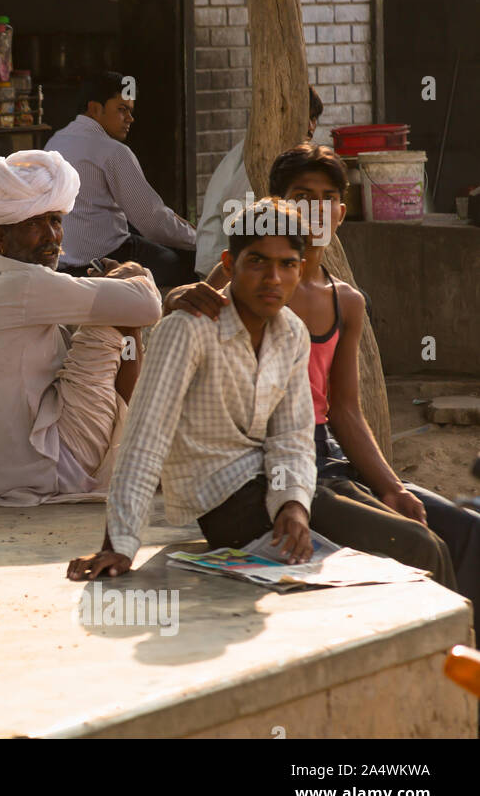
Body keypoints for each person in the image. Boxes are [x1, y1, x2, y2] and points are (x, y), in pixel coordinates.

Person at [67, 197, 455, 590]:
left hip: (277, 487)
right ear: (230, 265)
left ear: (300, 269)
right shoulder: (189, 329)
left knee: (427, 540)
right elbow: (144, 440)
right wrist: (119, 543)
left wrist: (293, 505)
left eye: (286, 264)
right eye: (257, 262)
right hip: (227, 505)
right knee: (418, 548)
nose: (273, 278)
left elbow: (292, 437)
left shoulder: (291, 332)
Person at [166, 144, 479, 609]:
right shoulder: (250, 280)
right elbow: (188, 311)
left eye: (326, 197)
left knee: (464, 529)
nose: (313, 209)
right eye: (300, 195)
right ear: (276, 205)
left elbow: (345, 410)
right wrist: (177, 297)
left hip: (326, 455)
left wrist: (392, 486)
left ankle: (463, 658)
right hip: (261, 465)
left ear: (341, 211)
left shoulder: (345, 301)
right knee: (414, 546)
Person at [0, 150, 161, 505]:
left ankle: (139, 453)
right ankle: (141, 457)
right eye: (34, 224)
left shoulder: (4, 282)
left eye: (55, 221)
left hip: (21, 470)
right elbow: (147, 306)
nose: (51, 236)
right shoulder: (24, 284)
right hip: (49, 469)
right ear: (0, 237)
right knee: (118, 319)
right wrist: (133, 274)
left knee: (110, 312)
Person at [47, 71, 198, 286]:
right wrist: (200, 239)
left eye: (130, 111)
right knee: (181, 264)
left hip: (64, 260)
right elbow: (153, 222)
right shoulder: (112, 150)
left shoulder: (55, 141)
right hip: (106, 258)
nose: (130, 118)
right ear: (95, 109)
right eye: (122, 109)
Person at [194, 86, 324, 276]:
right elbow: (235, 214)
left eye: (314, 119)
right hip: (225, 265)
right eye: (305, 117)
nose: (311, 127)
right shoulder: (263, 154)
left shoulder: (286, 152)